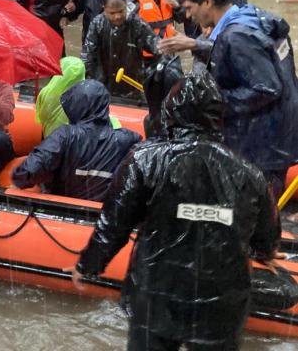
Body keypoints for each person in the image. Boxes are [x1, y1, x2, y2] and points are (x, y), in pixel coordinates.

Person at [70, 72, 281, 351]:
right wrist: (261, 252)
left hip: (157, 296)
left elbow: (114, 224)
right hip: (220, 304)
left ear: (171, 113)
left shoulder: (144, 161)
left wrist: (88, 265)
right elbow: (266, 238)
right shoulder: (249, 175)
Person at [176, 0, 298, 196]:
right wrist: (196, 46)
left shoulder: (237, 36)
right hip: (280, 131)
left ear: (207, 2)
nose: (188, 15)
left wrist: (214, 101)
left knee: (254, 208)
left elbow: (266, 88)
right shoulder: (251, 16)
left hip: (263, 143)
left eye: (190, 8)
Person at [13, 80, 140, 200]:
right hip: (103, 214)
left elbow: (28, 171)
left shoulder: (64, 136)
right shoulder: (128, 140)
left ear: (76, 106)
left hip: (60, 211)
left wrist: (45, 177)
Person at [81, 0, 160, 100]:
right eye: (112, 13)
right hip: (103, 84)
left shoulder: (137, 23)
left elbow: (157, 46)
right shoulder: (97, 24)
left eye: (121, 11)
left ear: (126, 5)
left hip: (133, 85)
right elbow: (88, 54)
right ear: (104, 8)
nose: (117, 16)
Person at [35, 56, 122, 138]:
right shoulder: (84, 97)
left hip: (49, 139)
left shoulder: (45, 92)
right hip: (73, 142)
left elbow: (39, 119)